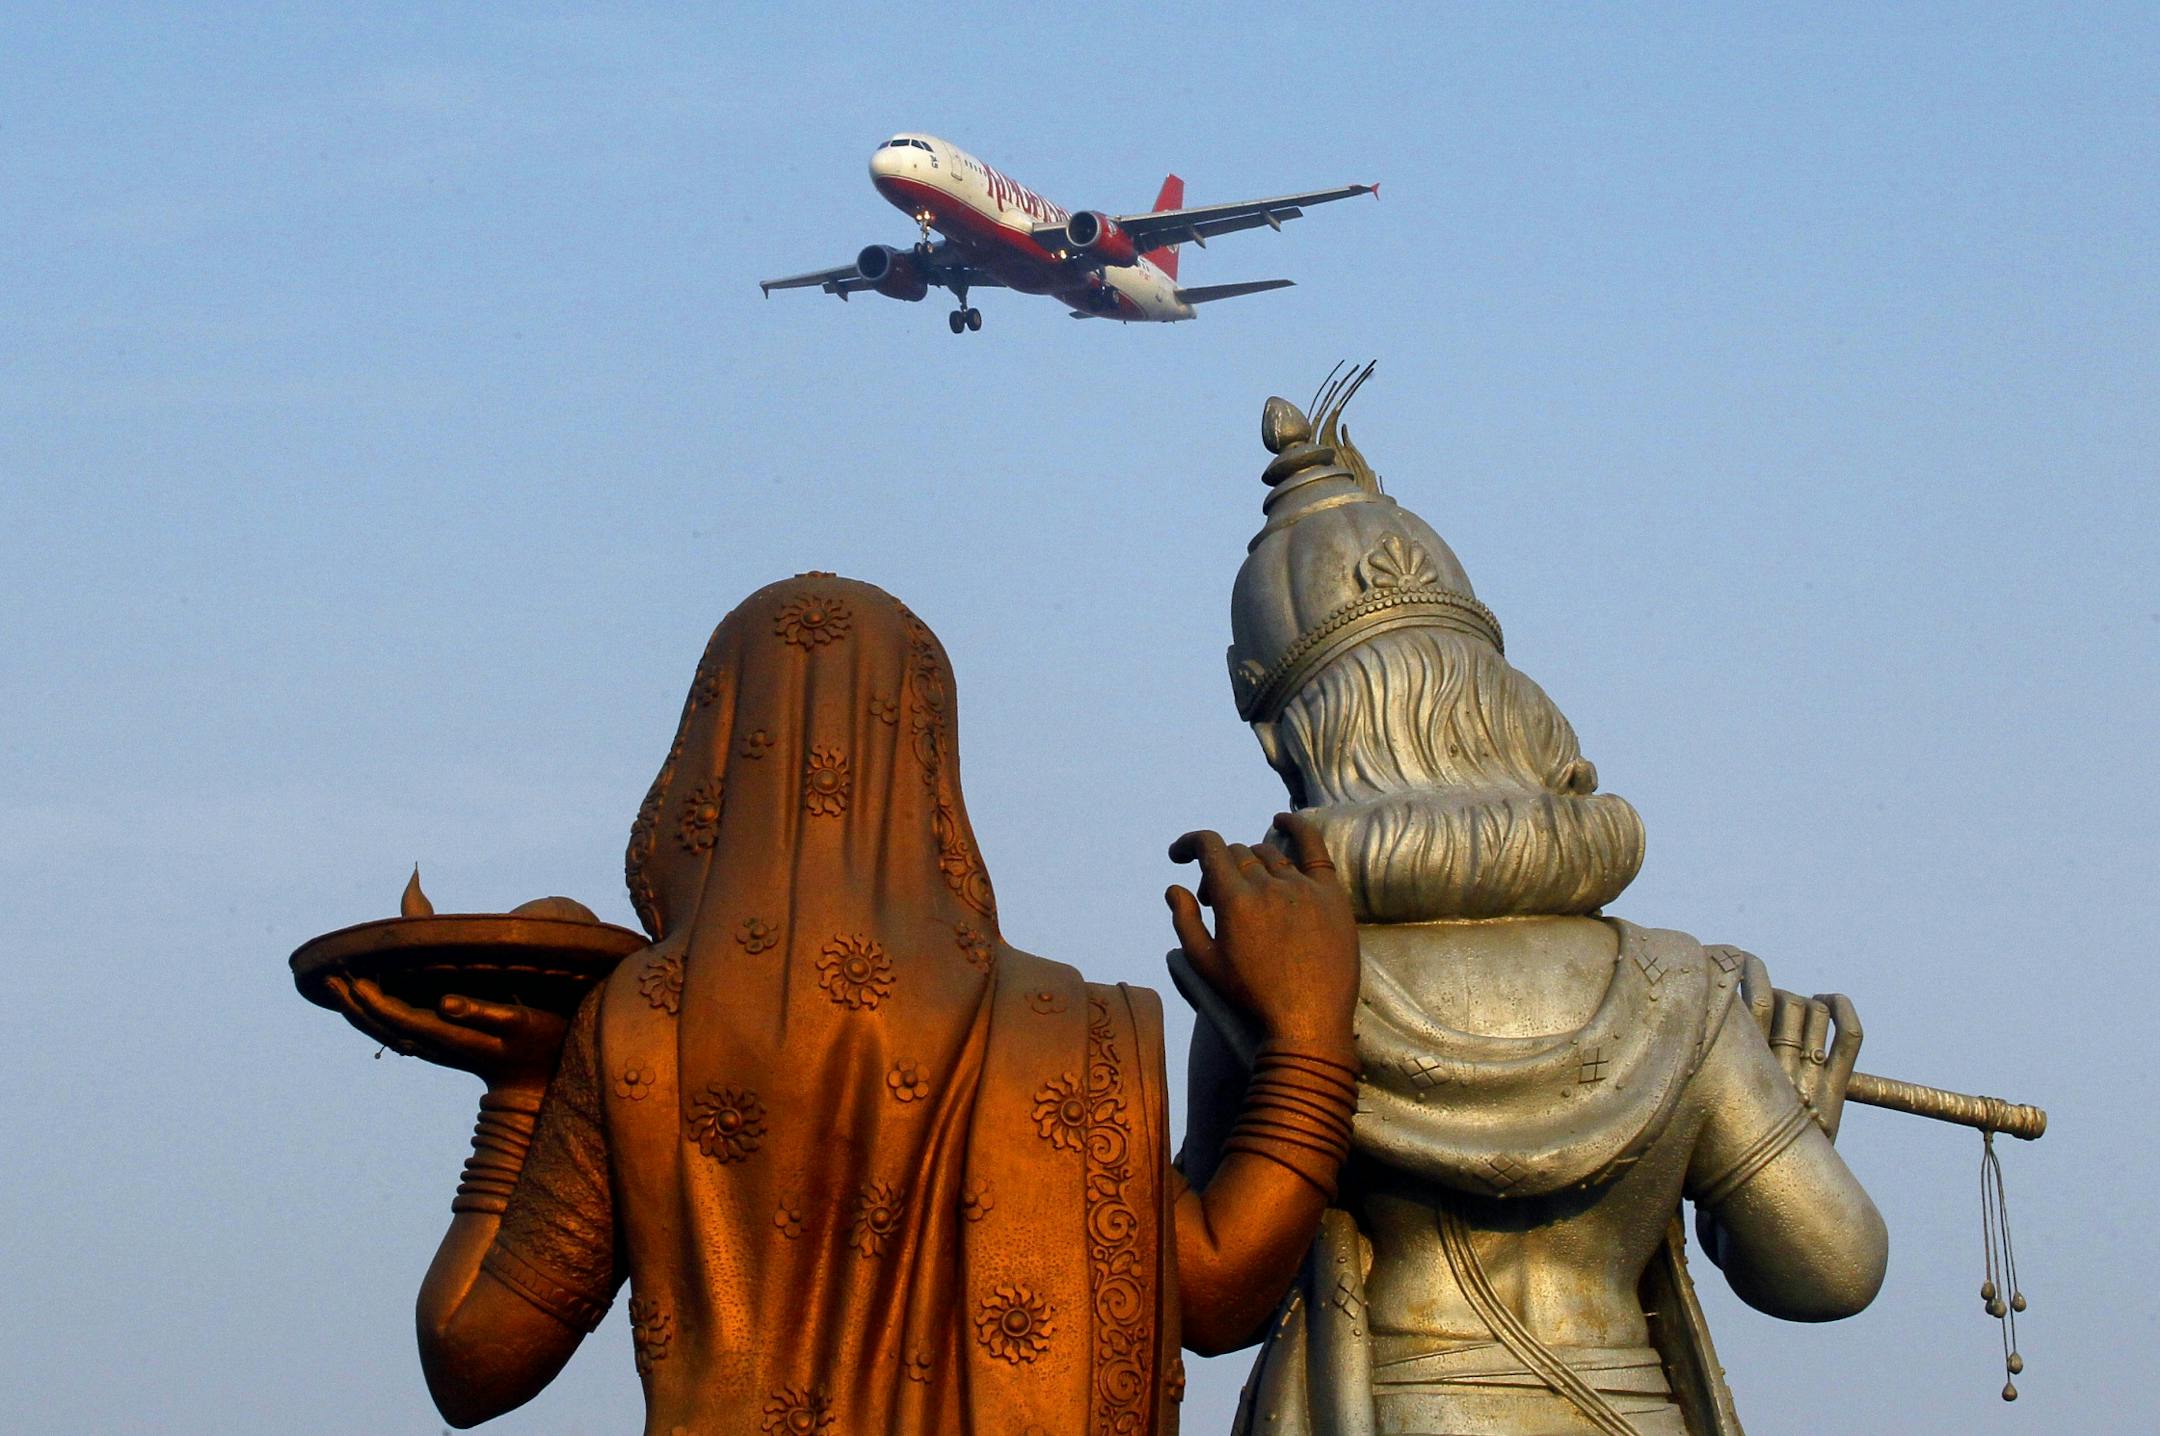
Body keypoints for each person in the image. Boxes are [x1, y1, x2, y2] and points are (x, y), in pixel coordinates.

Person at [326, 574, 1363, 1435]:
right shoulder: (1060, 1030)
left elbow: (471, 1360)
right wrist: (1309, 1040)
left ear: (708, 762)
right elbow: (1217, 1290)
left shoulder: (642, 1023)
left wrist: (519, 1089)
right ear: (930, 766)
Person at [1176, 382, 1888, 1436]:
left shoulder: (1280, 978)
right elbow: (1833, 1269)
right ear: (1505, 697)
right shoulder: (1683, 987)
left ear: (1285, 741)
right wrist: (1785, 1124)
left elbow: (1211, 1292)